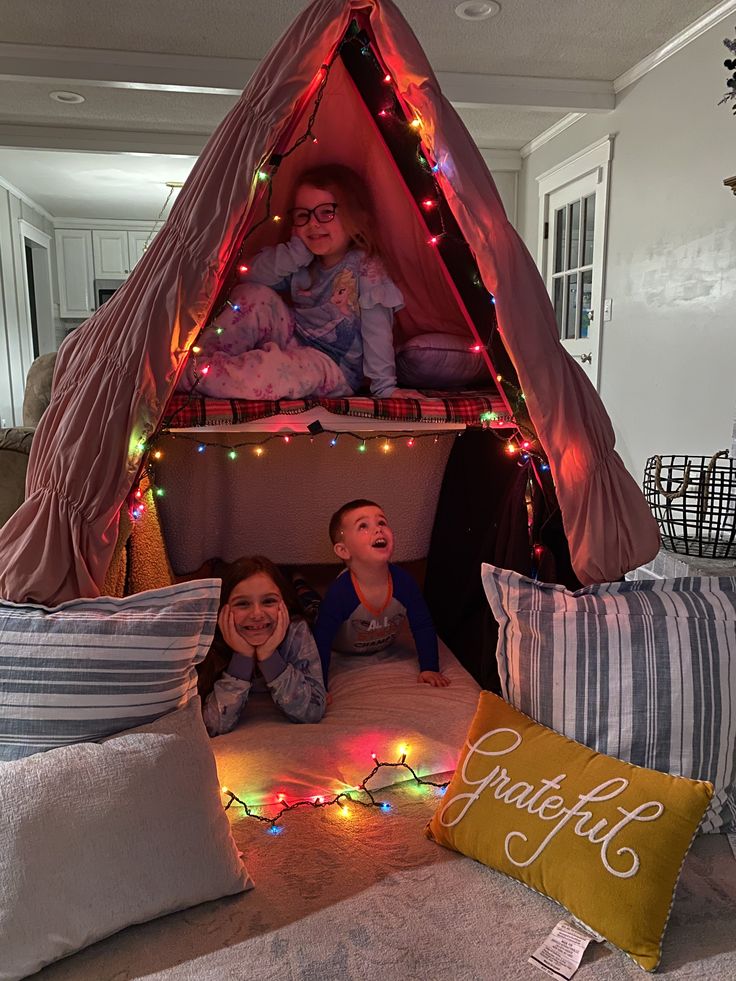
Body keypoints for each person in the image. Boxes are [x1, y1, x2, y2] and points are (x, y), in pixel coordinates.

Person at [179, 163, 418, 401]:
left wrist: (385, 387)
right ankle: (198, 363)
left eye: (326, 212)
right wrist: (296, 253)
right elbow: (248, 277)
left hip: (332, 366)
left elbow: (377, 328)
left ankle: (196, 377)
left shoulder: (365, 266)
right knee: (253, 296)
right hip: (293, 337)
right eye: (303, 215)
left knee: (272, 371)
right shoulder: (302, 262)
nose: (313, 223)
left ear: (355, 216)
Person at [313, 500, 451, 690]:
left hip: (379, 642)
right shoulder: (340, 593)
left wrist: (429, 667)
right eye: (363, 526)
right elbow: (322, 639)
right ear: (343, 550)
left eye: (382, 522)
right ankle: (300, 584)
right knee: (311, 609)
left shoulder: (404, 583)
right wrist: (319, 686)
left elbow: (423, 624)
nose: (378, 530)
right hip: (341, 645)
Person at [197, 556, 327, 735]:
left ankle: (299, 582)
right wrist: (242, 657)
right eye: (243, 604)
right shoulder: (211, 640)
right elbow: (214, 723)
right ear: (223, 611)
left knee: (313, 606)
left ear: (284, 606)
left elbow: (312, 711)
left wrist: (269, 656)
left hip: (306, 608)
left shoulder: (296, 631)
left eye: (269, 601)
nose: (257, 614)